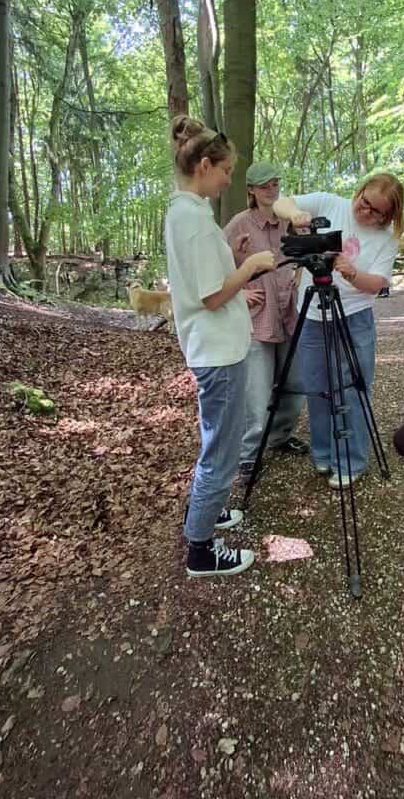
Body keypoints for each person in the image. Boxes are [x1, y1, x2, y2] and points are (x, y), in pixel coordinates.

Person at [165, 118, 275, 578]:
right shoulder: (190, 219)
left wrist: (235, 271)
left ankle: (203, 514)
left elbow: (205, 284)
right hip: (218, 353)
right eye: (226, 170)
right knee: (222, 450)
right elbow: (210, 295)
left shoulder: (189, 213)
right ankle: (201, 549)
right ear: (205, 165)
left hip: (215, 347)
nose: (231, 180)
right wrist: (249, 266)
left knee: (217, 441)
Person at [273, 174, 404, 488]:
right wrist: (295, 215)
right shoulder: (330, 203)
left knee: (351, 388)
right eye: (365, 201)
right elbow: (280, 201)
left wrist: (354, 273)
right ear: (359, 192)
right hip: (313, 316)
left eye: (377, 212)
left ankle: (350, 460)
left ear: (389, 216)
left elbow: (378, 285)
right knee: (318, 389)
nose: (366, 212)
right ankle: (323, 453)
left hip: (354, 318)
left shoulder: (386, 239)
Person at [223, 160, 308, 483]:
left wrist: (298, 272)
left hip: (290, 313)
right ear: (251, 191)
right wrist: (239, 292)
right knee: (256, 395)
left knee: (293, 385)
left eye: (275, 183)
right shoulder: (239, 224)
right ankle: (248, 456)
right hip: (258, 320)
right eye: (265, 185)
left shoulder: (289, 220)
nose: (272, 189)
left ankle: (281, 437)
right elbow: (215, 265)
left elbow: (305, 254)